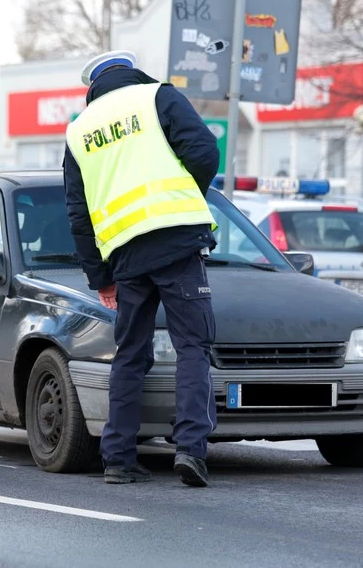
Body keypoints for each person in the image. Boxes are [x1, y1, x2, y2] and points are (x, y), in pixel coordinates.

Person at [62, 50, 221, 487]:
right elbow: (205, 152)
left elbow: (78, 214)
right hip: (176, 243)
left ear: (92, 86)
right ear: (132, 71)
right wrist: (188, 200)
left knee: (129, 356)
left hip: (126, 257)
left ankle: (117, 459)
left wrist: (101, 278)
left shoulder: (79, 132)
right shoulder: (158, 97)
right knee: (193, 347)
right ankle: (190, 450)